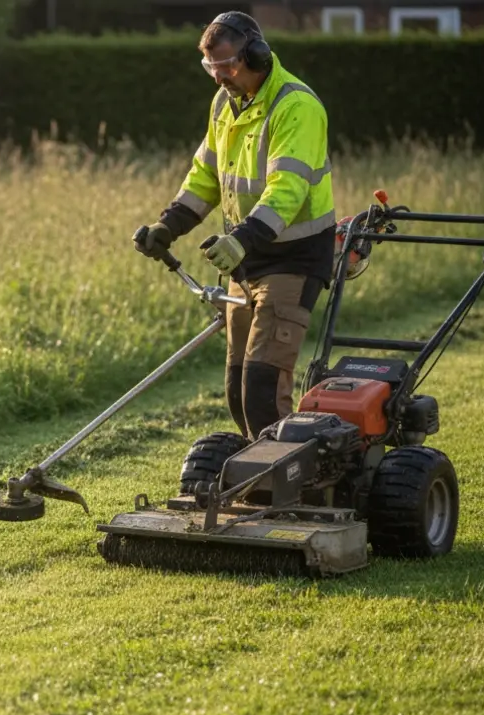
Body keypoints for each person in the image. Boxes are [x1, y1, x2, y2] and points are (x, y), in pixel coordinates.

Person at [134, 11, 337, 440]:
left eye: (227, 66)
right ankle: (258, 481)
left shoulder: (296, 106)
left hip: (292, 259)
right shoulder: (225, 103)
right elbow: (206, 175)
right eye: (212, 68)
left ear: (257, 55)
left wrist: (241, 240)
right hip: (244, 262)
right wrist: (167, 227)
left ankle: (287, 491)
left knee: (263, 388)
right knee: (237, 387)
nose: (219, 77)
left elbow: (287, 191)